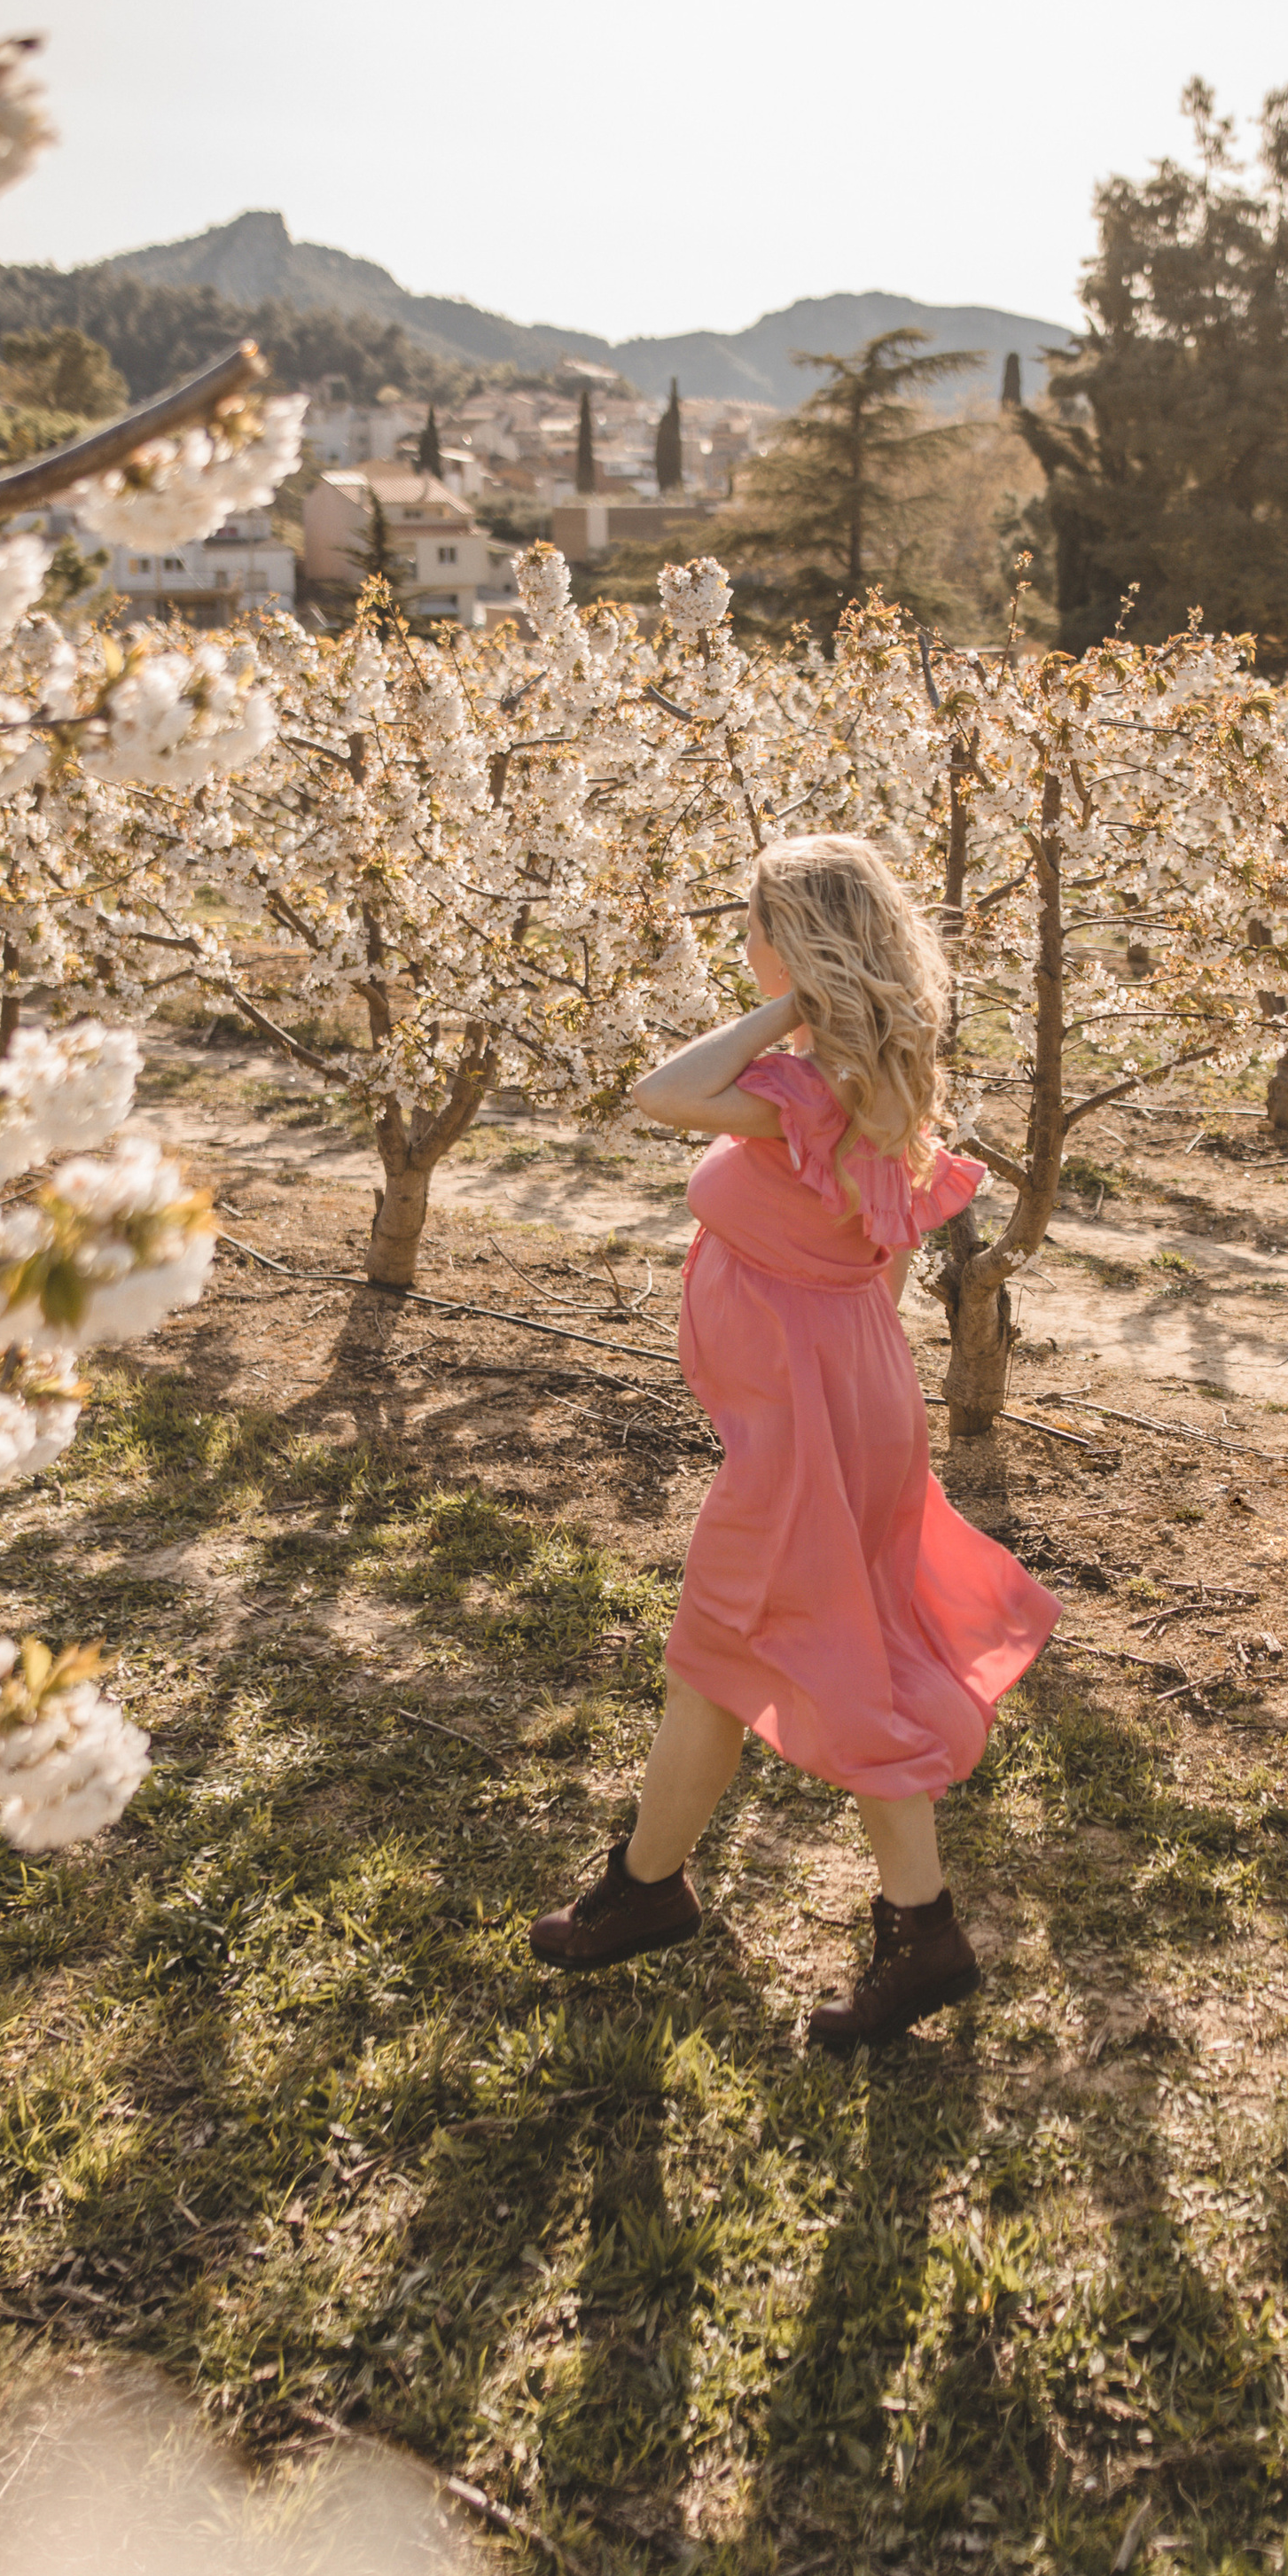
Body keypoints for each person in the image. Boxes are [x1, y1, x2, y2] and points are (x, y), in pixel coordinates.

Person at [529, 833, 1060, 2049]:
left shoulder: (808, 1093)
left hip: (809, 1428)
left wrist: (777, 1012)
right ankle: (682, 1894)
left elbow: (660, 1093)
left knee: (754, 1648)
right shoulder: (870, 1087)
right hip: (847, 1402)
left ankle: (712, 1901)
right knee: (776, 1650)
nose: (742, 947)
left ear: (798, 949)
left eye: (755, 929)